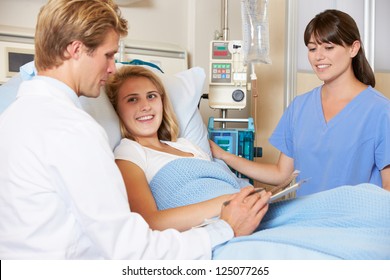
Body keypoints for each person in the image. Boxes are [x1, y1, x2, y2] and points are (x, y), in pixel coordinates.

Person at [0, 0, 268, 260]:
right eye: (108, 55)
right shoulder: (73, 129)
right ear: (76, 50)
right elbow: (132, 251)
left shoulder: (12, 118)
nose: (112, 68)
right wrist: (226, 228)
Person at [210, 9, 390, 196]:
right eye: (312, 48)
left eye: (328, 47)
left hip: (353, 220)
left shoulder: (380, 111)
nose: (318, 56)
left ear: (353, 48)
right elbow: (281, 174)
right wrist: (223, 155)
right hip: (305, 219)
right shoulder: (299, 107)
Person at [105, 65, 271, 232]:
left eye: (151, 96)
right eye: (132, 99)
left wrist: (249, 197)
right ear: (118, 109)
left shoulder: (187, 145)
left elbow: (225, 182)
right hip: (220, 226)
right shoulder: (130, 152)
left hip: (249, 212)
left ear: (162, 103)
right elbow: (149, 221)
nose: (145, 106)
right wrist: (227, 201)